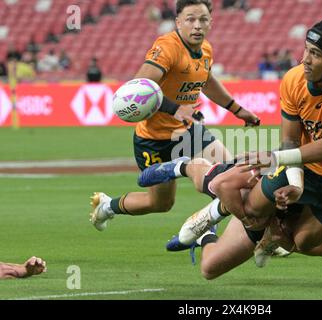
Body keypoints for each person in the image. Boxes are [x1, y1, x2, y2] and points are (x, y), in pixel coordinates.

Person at [153, 17, 322, 279]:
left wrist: (273, 159)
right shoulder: (294, 79)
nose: (305, 59)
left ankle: (271, 231)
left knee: (309, 242)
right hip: (301, 163)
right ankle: (190, 172)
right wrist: (296, 181)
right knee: (215, 261)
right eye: (306, 49)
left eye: (315, 54)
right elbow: (290, 142)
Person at [90, 0, 259, 231]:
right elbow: (137, 89)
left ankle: (236, 233)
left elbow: (206, 81)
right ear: (178, 22)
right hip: (154, 140)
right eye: (190, 19)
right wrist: (175, 109)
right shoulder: (167, 47)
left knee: (231, 177)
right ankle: (108, 207)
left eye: (203, 19)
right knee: (160, 203)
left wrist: (237, 109)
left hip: (188, 133)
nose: (197, 25)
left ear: (211, 22)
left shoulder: (206, 49)